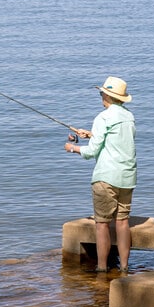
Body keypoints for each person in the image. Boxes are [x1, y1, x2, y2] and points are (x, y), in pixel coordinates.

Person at [64, 76, 137, 273]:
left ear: (108, 96)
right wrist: (92, 134)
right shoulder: (129, 117)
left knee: (102, 224)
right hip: (127, 177)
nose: (101, 97)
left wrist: (72, 148)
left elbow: (91, 152)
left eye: (102, 93)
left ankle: (102, 268)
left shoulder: (103, 118)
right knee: (122, 223)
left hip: (106, 178)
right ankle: (124, 266)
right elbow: (116, 141)